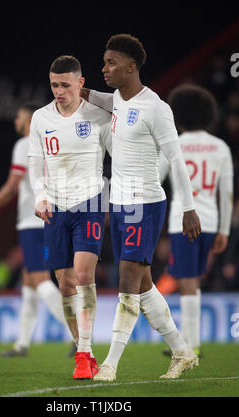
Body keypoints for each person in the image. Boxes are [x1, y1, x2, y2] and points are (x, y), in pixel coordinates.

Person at [81, 34, 201, 381]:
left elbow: (177, 159)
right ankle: (181, 352)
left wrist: (188, 208)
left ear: (132, 67)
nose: (104, 68)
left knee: (128, 280)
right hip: (119, 203)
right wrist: (76, 88)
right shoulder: (118, 99)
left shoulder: (156, 108)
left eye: (111, 62)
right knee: (144, 284)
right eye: (104, 62)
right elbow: (103, 99)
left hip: (145, 204)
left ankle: (110, 365)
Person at [28, 55, 112, 379]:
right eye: (54, 84)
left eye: (65, 84)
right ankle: (83, 348)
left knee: (81, 275)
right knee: (63, 284)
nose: (59, 91)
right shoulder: (40, 117)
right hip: (55, 207)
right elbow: (36, 161)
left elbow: (118, 153)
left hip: (89, 201)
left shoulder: (98, 116)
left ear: (80, 83)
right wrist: (40, 196)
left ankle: (84, 354)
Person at [0, 103, 68, 357]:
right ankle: (22, 343)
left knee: (40, 279)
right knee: (29, 281)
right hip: (53, 218)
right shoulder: (53, 144)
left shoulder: (25, 144)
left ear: (31, 119)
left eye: (19, 115)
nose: (16, 119)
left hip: (33, 220)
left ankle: (77, 334)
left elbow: (13, 185)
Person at [159, 84, 234, 357]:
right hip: (211, 222)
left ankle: (189, 346)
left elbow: (156, 179)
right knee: (194, 282)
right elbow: (226, 194)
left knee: (186, 282)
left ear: (178, 115)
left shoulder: (174, 144)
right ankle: (190, 342)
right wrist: (224, 230)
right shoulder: (221, 147)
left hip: (184, 222)